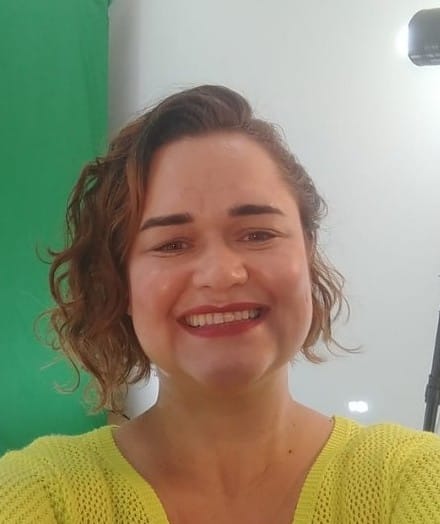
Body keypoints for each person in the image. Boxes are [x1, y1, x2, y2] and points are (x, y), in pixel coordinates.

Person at [1, 85, 439, 523]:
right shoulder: (39, 493)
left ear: (307, 253)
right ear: (122, 282)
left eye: (258, 234)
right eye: (172, 244)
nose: (221, 274)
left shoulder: (415, 479)